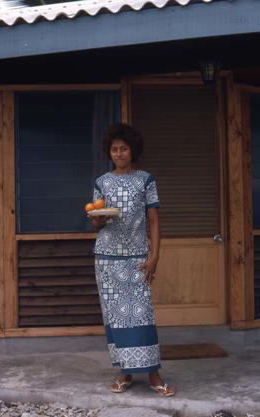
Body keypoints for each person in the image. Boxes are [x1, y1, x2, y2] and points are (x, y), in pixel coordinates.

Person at [89, 123, 175, 397]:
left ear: (132, 150)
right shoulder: (101, 182)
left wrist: (155, 257)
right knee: (115, 317)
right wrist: (97, 219)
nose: (118, 153)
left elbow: (154, 221)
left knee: (142, 314)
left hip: (138, 258)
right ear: (109, 152)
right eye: (114, 149)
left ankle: (153, 374)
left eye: (123, 149)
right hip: (107, 258)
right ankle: (125, 372)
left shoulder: (146, 180)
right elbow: (96, 223)